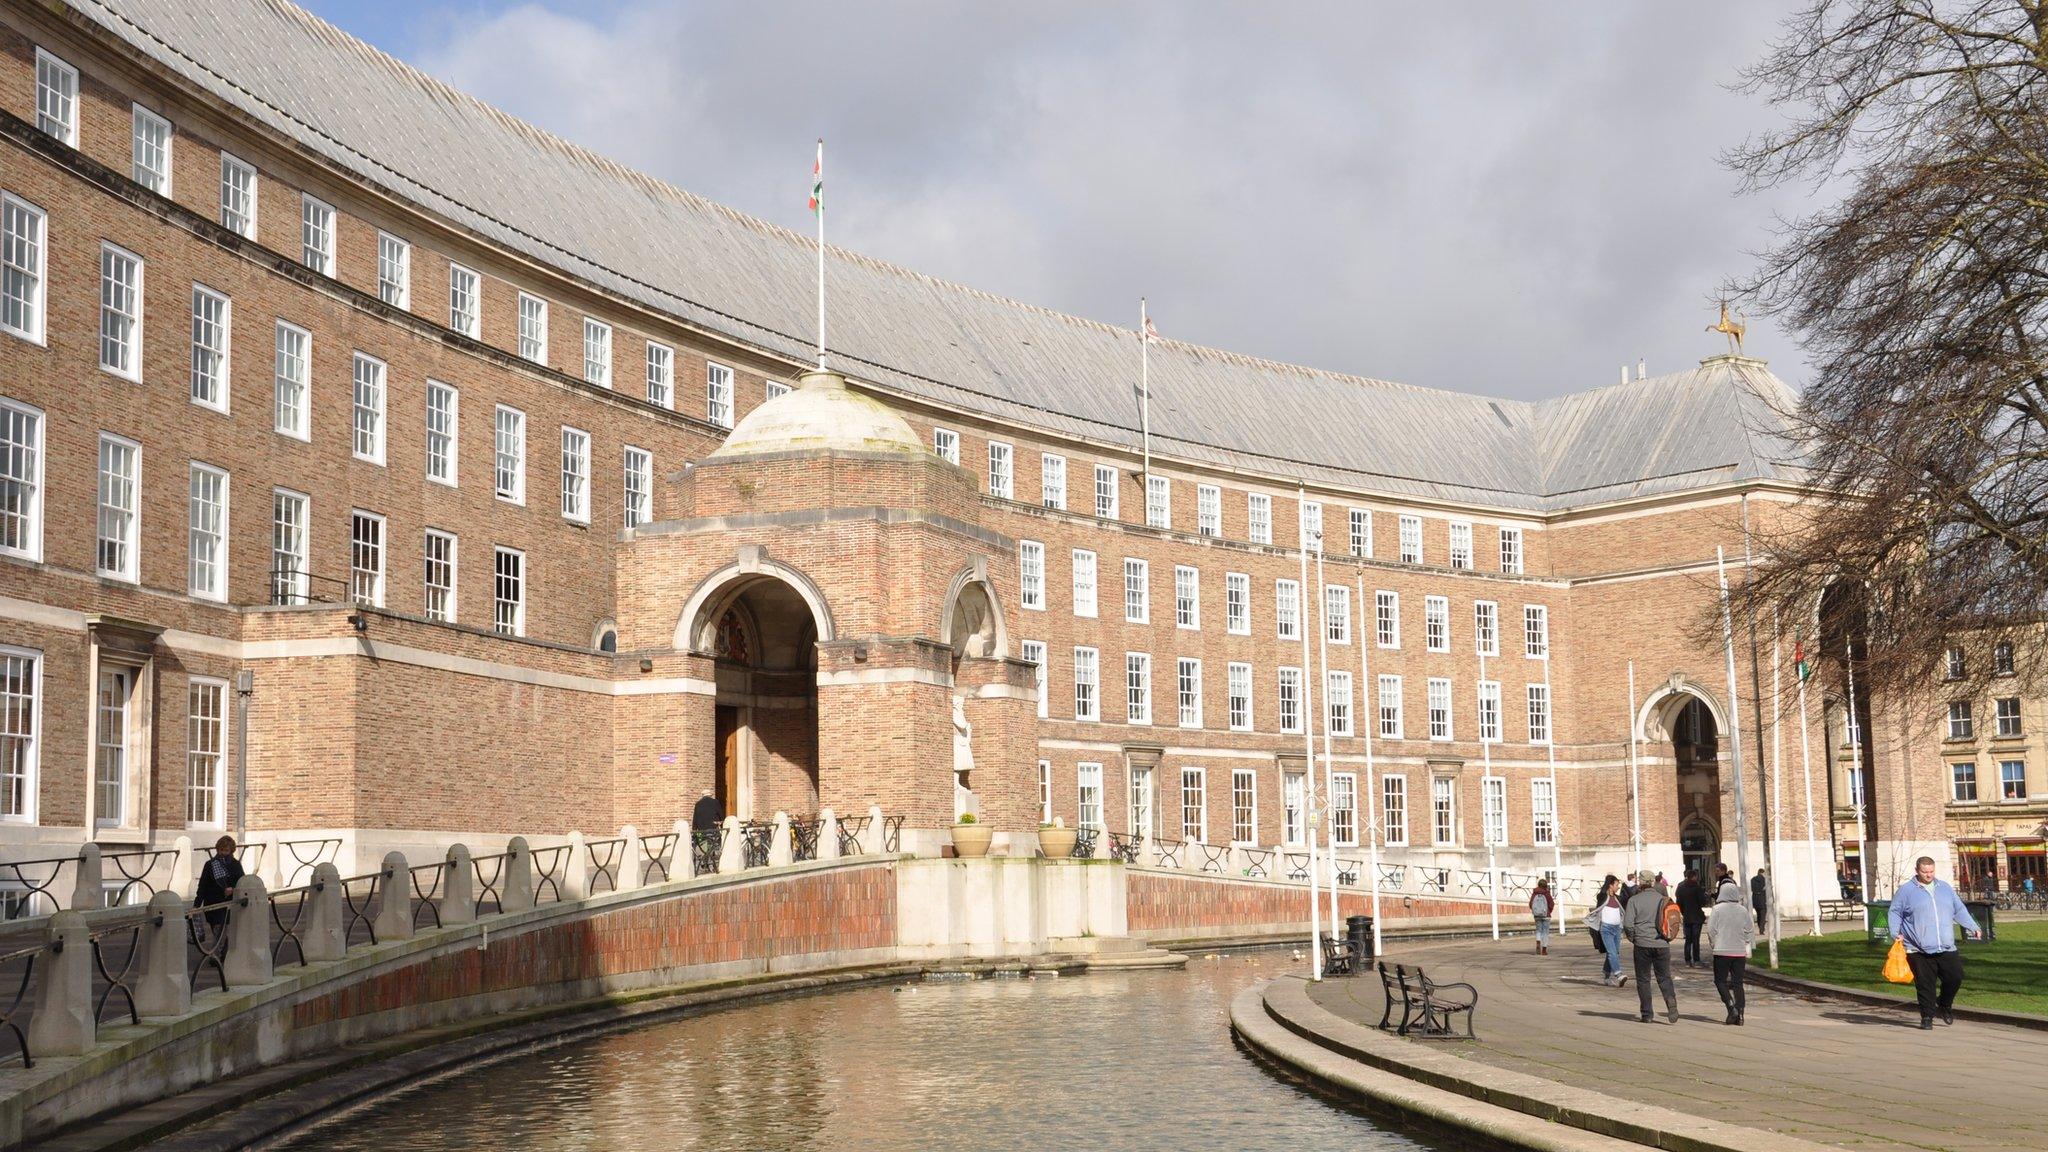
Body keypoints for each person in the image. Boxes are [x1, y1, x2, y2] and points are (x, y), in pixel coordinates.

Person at [1888, 855, 1982, 1029]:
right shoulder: (1906, 890)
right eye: (1925, 872)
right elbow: (1895, 912)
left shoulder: (1944, 888)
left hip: (1946, 946)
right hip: (1917, 948)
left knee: (1955, 977)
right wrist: (1896, 933)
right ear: (1917, 871)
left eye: (1931, 871)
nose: (1928, 875)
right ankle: (1927, 1018)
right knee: (1925, 985)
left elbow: (1959, 909)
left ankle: (1944, 1004)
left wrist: (1972, 926)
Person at [1623, 868, 1678, 1023]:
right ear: (1653, 882)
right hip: (1662, 943)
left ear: (1640, 882)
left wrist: (1633, 938)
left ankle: (1647, 1013)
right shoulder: (1663, 899)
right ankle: (1671, 1002)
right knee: (1664, 977)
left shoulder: (1634, 900)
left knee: (1643, 979)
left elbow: (1628, 925)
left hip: (1642, 944)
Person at [1707, 879, 1755, 1025]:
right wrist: (1745, 942)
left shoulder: (1717, 909)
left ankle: (1730, 1006)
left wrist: (1714, 943)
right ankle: (1740, 1013)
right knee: (1738, 983)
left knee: (1720, 981)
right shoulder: (1743, 910)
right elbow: (1749, 929)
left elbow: (1711, 929)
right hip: (1739, 951)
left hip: (1722, 950)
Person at [194, 835, 245, 941]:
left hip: (229, 904)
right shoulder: (210, 865)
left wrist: (233, 889)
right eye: (221, 850)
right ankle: (219, 955)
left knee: (221, 935)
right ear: (217, 849)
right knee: (218, 934)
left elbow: (242, 882)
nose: (223, 853)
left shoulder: (235, 865)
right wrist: (197, 904)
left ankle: (218, 955)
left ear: (231, 851)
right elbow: (202, 885)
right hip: (213, 904)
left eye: (226, 850)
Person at [1594, 875, 1626, 986]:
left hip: (1617, 928)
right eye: (1616, 885)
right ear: (1610, 885)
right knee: (1612, 952)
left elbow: (1622, 911)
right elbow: (1598, 910)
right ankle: (1618, 974)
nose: (1618, 887)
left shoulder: (1617, 898)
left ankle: (1607, 976)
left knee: (1614, 952)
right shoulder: (1602, 896)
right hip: (1606, 929)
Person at [1674, 870, 1708, 967]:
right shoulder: (1697, 888)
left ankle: (1687, 960)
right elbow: (1702, 902)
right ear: (1693, 877)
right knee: (1695, 939)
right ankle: (1696, 960)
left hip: (1687, 916)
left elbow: (1679, 902)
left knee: (1688, 939)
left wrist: (1684, 912)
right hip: (1696, 916)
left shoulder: (1680, 888)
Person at [1529, 879, 1555, 955]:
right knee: (1545, 932)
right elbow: (1551, 904)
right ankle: (1544, 950)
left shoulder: (1534, 893)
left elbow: (1531, 904)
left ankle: (1538, 942)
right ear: (1545, 885)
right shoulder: (1547, 893)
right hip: (1546, 915)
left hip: (1537, 915)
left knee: (1538, 930)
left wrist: (1535, 911)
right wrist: (1548, 911)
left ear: (1538, 884)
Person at [1751, 868, 1770, 932]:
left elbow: (1752, 889)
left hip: (1755, 900)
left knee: (1758, 915)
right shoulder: (1765, 880)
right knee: (1763, 916)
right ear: (1763, 873)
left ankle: (1760, 927)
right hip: (1763, 900)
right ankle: (1761, 929)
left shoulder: (1752, 880)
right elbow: (1768, 891)